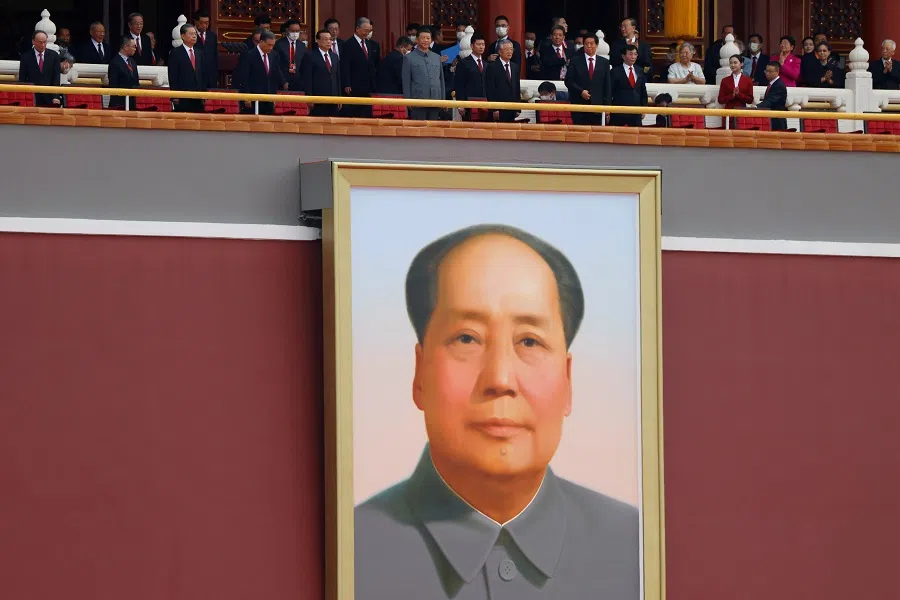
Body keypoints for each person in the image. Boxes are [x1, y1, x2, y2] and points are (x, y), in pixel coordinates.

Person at [354, 224, 640, 600]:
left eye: (529, 341)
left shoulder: (636, 549)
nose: (501, 378)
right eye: (467, 338)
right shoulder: (352, 549)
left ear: (568, 380)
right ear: (419, 373)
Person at [233, 29, 287, 115]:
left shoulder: (274, 55)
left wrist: (284, 83)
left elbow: (276, 71)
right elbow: (244, 77)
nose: (271, 48)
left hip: (269, 97)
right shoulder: (248, 55)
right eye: (269, 45)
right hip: (253, 98)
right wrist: (246, 96)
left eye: (273, 45)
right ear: (261, 42)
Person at [564, 34, 611, 125]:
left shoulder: (604, 62)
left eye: (591, 43)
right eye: (586, 44)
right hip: (579, 105)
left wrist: (608, 107)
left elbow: (607, 85)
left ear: (596, 45)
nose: (589, 46)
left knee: (596, 135)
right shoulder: (575, 61)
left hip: (597, 105)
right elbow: (568, 81)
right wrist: (580, 91)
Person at [402, 29, 444, 120]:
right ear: (417, 40)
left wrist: (443, 100)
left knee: (433, 130)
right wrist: (408, 100)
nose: (426, 40)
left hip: (435, 100)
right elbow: (406, 81)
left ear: (431, 40)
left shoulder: (437, 57)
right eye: (423, 38)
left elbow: (441, 80)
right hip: (418, 100)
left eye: (428, 38)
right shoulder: (409, 58)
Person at [340, 17, 377, 118]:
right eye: (365, 30)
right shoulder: (348, 44)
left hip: (367, 86)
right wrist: (347, 83)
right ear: (357, 29)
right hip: (354, 86)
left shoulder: (368, 44)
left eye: (369, 31)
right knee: (355, 113)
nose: (367, 33)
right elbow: (345, 65)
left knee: (367, 114)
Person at [301, 29, 341, 117]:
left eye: (330, 39)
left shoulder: (334, 56)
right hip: (318, 98)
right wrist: (309, 98)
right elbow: (307, 79)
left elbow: (337, 78)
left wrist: (339, 97)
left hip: (333, 98)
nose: (329, 42)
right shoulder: (310, 56)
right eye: (325, 39)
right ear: (318, 41)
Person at [167, 24, 205, 113]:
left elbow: (203, 74)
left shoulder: (200, 53)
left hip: (198, 95)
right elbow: (173, 75)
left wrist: (204, 93)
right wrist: (175, 95)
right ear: (183, 36)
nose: (194, 36)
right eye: (191, 34)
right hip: (182, 95)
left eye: (195, 34)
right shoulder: (175, 53)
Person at [18, 31, 61, 107]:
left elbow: (56, 78)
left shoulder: (54, 56)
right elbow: (22, 79)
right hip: (32, 98)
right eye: (40, 42)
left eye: (45, 42)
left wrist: (56, 96)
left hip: (50, 97)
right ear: (33, 41)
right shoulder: (26, 57)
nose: (43, 45)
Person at [610, 44, 648, 127]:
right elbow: (610, 92)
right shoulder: (615, 71)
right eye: (630, 54)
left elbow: (643, 91)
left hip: (636, 111)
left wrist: (644, 108)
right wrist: (608, 109)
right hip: (619, 111)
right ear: (623, 56)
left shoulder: (639, 70)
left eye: (635, 54)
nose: (633, 57)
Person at [485, 39, 520, 122]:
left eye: (511, 49)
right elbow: (490, 89)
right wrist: (494, 109)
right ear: (500, 52)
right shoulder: (492, 67)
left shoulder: (514, 66)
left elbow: (517, 87)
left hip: (512, 107)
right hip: (498, 108)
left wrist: (518, 108)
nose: (509, 52)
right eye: (507, 49)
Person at [453, 33, 487, 119]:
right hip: (469, 104)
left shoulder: (487, 64)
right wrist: (461, 104)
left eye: (483, 44)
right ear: (472, 46)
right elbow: (459, 85)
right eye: (478, 44)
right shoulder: (463, 63)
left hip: (486, 104)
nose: (481, 47)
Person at [108, 36, 140, 109]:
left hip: (132, 102)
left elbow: (136, 81)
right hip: (119, 103)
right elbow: (113, 85)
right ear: (126, 47)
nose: (135, 49)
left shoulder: (132, 61)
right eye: (134, 47)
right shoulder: (115, 62)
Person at [275, 18, 307, 91]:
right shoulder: (279, 44)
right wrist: (283, 81)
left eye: (297, 31)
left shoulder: (302, 46)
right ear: (287, 30)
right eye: (293, 31)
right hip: (283, 82)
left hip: (298, 82)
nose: (295, 33)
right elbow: (276, 65)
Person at [757, 61, 787, 131]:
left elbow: (770, 100)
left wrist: (757, 107)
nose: (767, 73)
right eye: (766, 71)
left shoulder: (779, 85)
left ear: (777, 71)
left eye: (770, 71)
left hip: (777, 120)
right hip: (770, 118)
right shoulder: (771, 84)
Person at [194, 10, 219, 89]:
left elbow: (215, 56)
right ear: (196, 21)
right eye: (202, 23)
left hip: (210, 75)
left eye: (207, 23)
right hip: (197, 74)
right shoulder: (191, 35)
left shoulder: (212, 36)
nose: (204, 25)